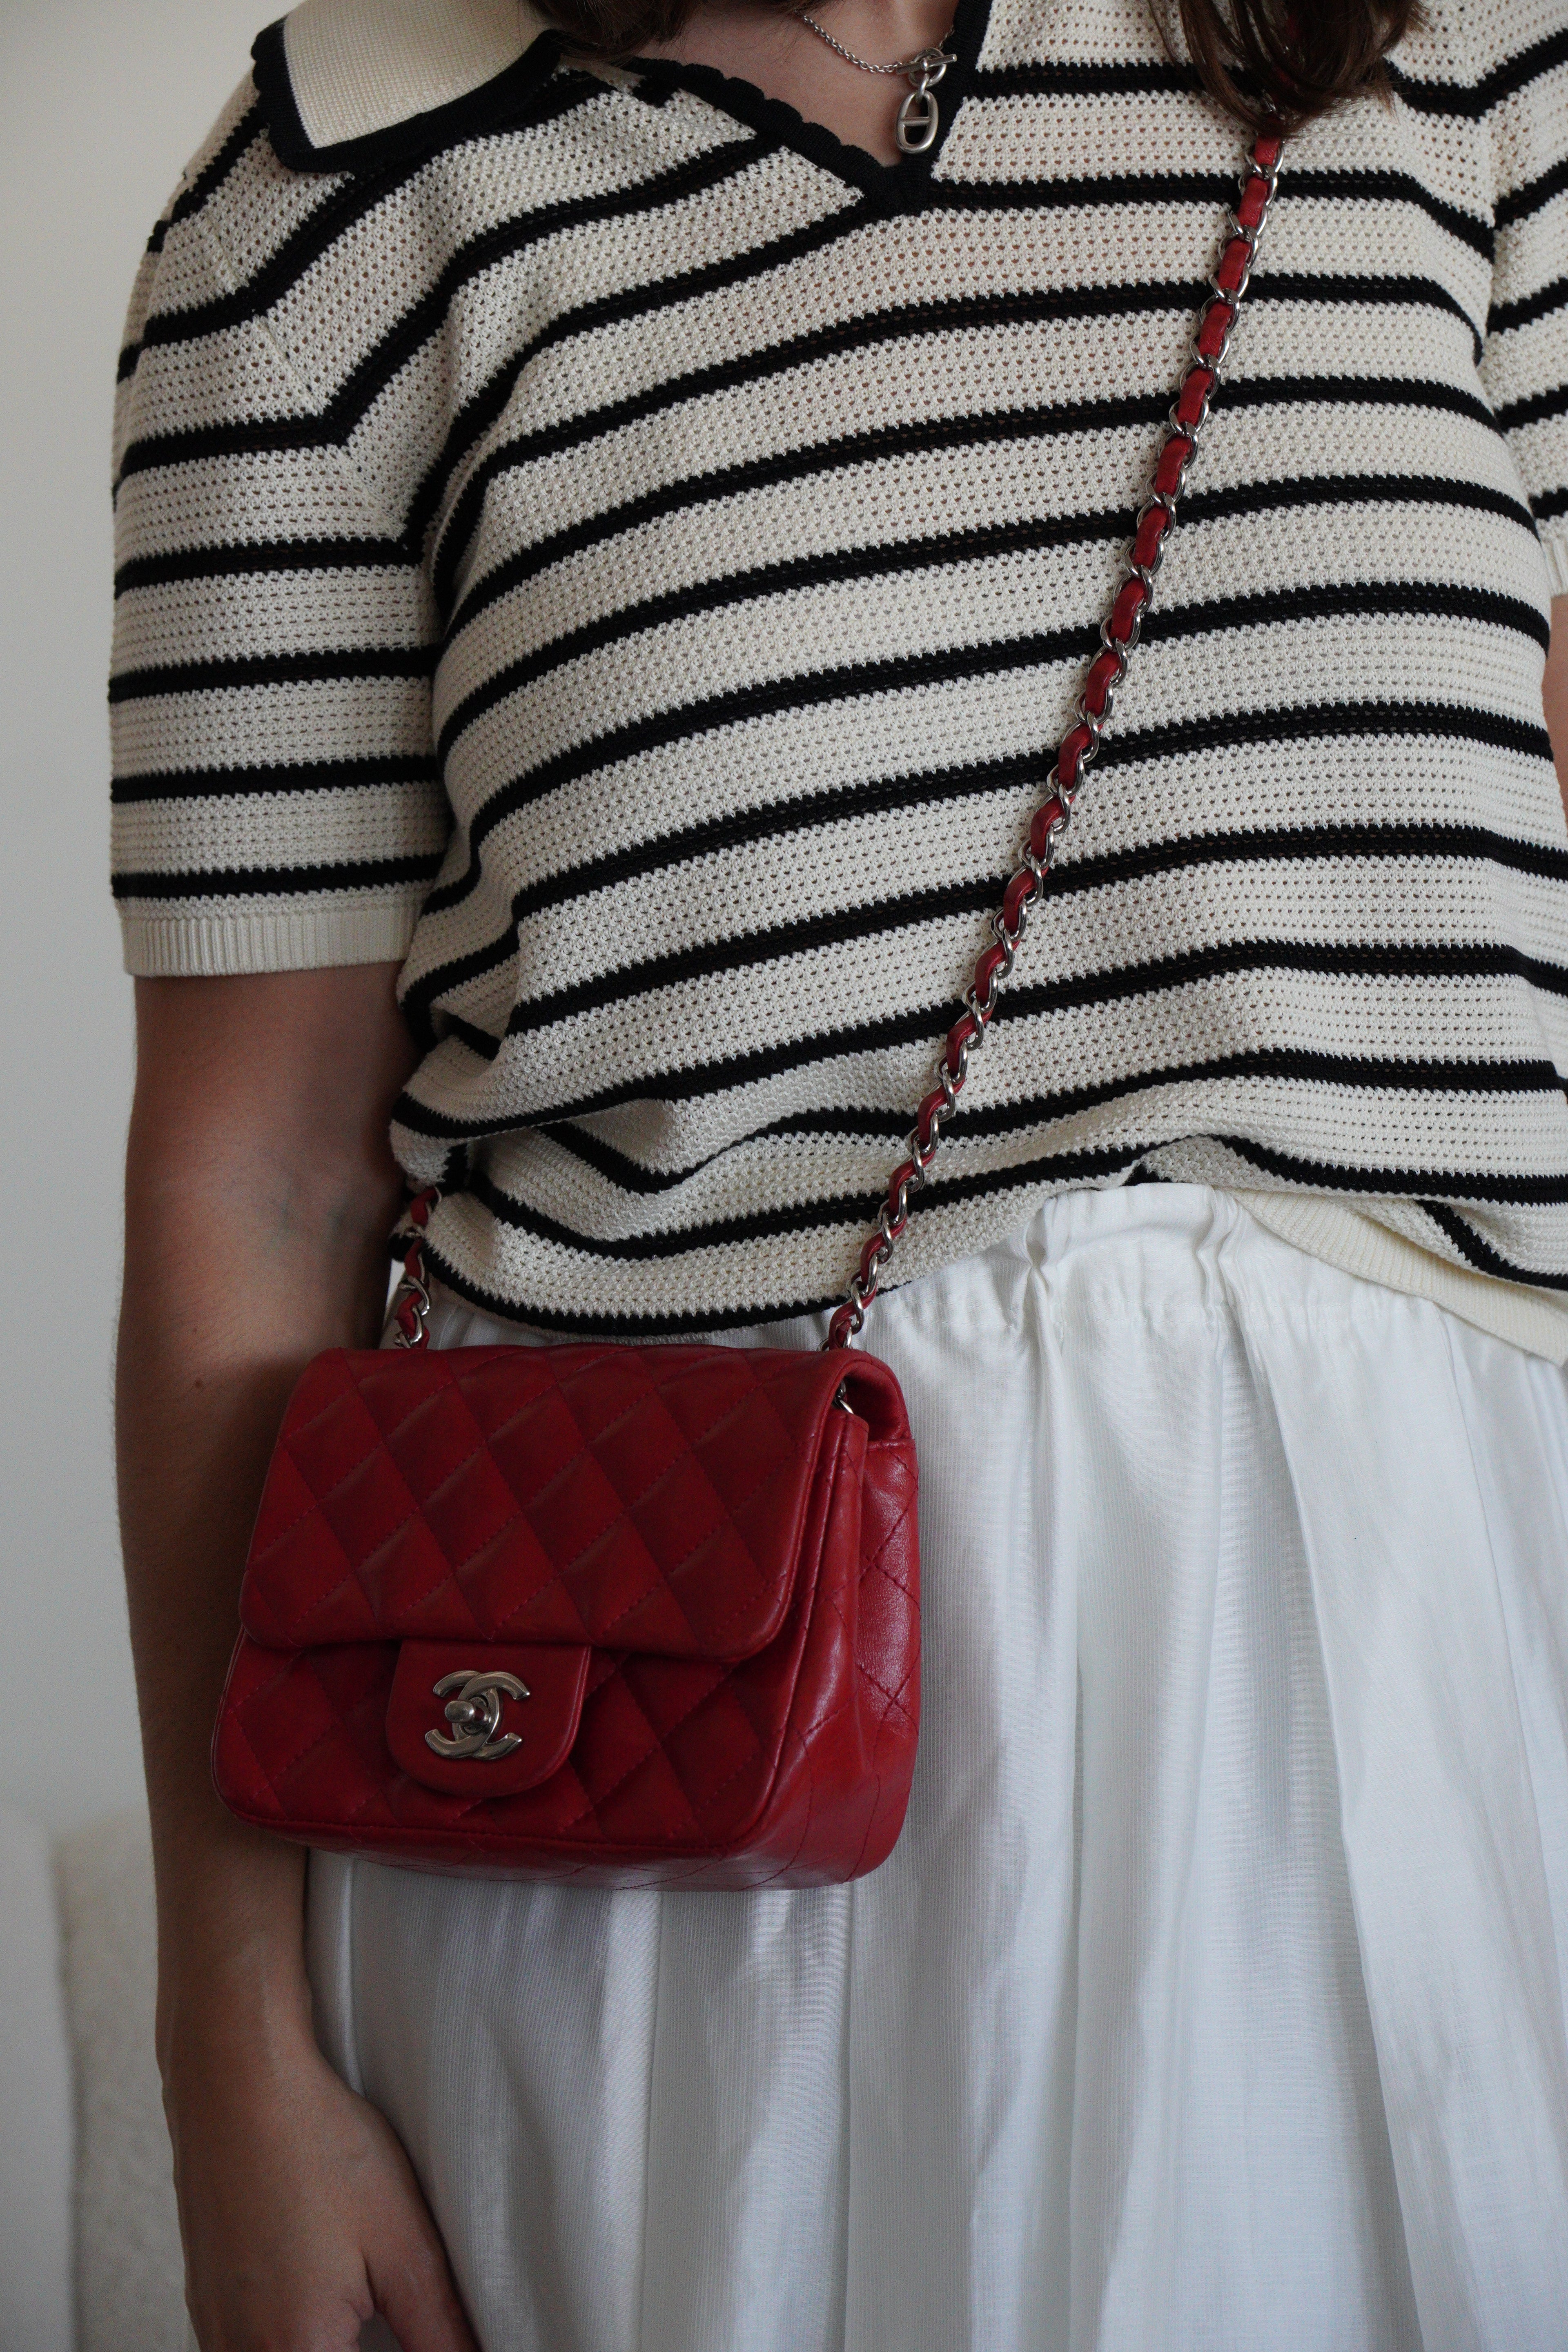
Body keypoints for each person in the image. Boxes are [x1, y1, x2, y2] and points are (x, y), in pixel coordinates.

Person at [111, 0, 1568, 2344]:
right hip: (684, 1802)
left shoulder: (1462, 47)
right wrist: (229, 2039)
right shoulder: (322, 205)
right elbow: (251, 1191)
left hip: (1434, 1683)